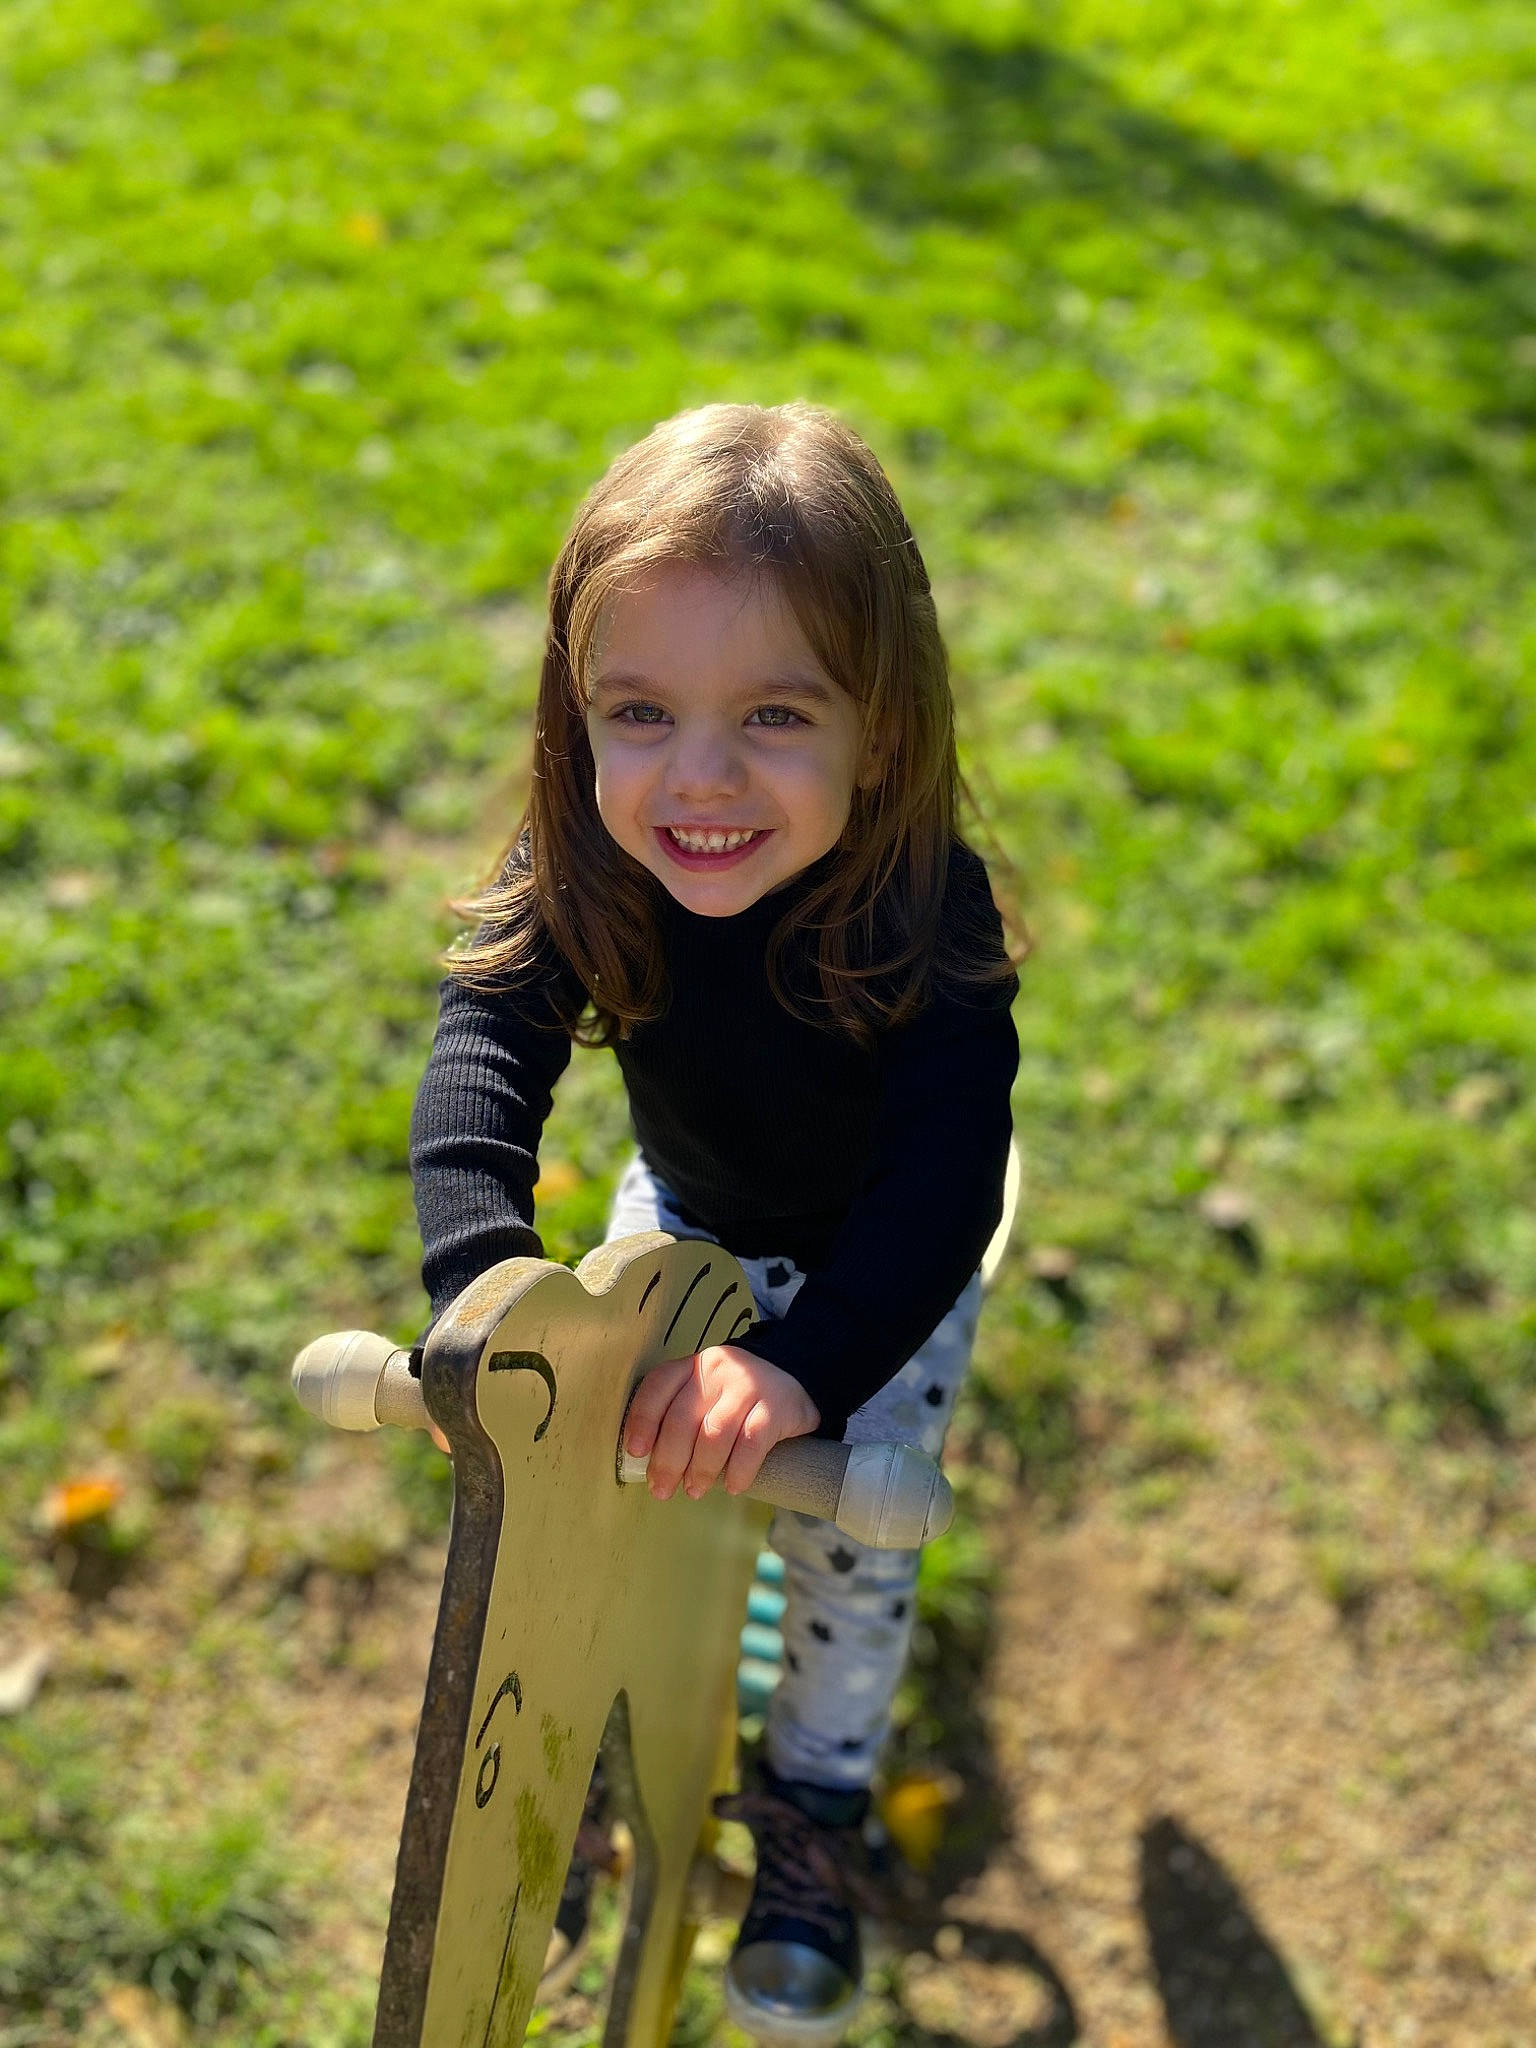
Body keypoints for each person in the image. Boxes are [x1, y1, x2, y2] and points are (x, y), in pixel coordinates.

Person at [408, 400, 1021, 2042]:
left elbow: (948, 1177)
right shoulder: (591, 866)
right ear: (577, 713)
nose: (699, 779)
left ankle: (810, 1802)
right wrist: (487, 1284)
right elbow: (482, 1059)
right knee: (612, 1502)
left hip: (879, 1278)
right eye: (640, 711)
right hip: (681, 1217)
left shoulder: (926, 909)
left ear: (879, 730)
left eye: (772, 714)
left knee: (843, 1549)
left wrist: (813, 1372)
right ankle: (611, 1774)